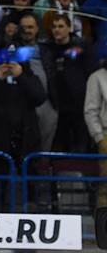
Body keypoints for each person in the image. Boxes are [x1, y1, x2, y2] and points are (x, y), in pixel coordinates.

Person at [42, 14, 94, 153]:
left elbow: (91, 71)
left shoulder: (82, 47)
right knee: (60, 143)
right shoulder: (47, 49)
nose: (57, 30)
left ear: (69, 28)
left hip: (79, 101)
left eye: (61, 26)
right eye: (54, 27)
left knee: (81, 141)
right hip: (57, 101)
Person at [18, 14, 58, 151]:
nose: (27, 31)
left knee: (46, 142)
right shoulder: (12, 48)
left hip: (48, 102)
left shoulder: (47, 49)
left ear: (37, 29)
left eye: (30, 27)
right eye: (23, 28)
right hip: (24, 103)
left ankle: (43, 162)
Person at [84, 65, 107, 207]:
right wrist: (100, 138)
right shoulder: (97, 77)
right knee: (105, 186)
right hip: (106, 136)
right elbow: (90, 111)